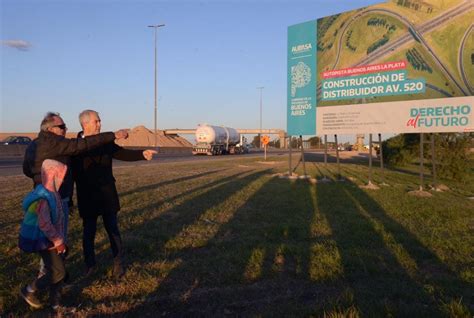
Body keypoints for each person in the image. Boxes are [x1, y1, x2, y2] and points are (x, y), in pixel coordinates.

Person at [22, 112, 129, 277]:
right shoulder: (57, 143)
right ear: (50, 128)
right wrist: (113, 135)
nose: (66, 129)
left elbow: (26, 169)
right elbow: (82, 145)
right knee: (56, 240)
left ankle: (55, 276)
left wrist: (40, 179)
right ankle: (46, 279)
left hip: (47, 195)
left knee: (50, 238)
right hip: (57, 198)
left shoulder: (34, 144)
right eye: (62, 126)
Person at [72, 110, 156, 278]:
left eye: (99, 120)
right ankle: (90, 265)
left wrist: (141, 154)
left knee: (113, 229)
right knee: (89, 232)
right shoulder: (74, 145)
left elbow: (122, 153)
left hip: (107, 194)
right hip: (87, 196)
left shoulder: (105, 142)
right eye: (97, 121)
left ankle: (118, 263)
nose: (100, 124)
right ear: (85, 124)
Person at [19, 159, 70, 312]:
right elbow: (45, 224)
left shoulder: (52, 194)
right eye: (60, 176)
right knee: (58, 272)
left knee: (56, 269)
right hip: (44, 240)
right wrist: (59, 241)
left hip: (52, 239)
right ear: (52, 176)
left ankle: (55, 304)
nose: (63, 179)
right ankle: (29, 290)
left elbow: (57, 218)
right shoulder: (44, 198)